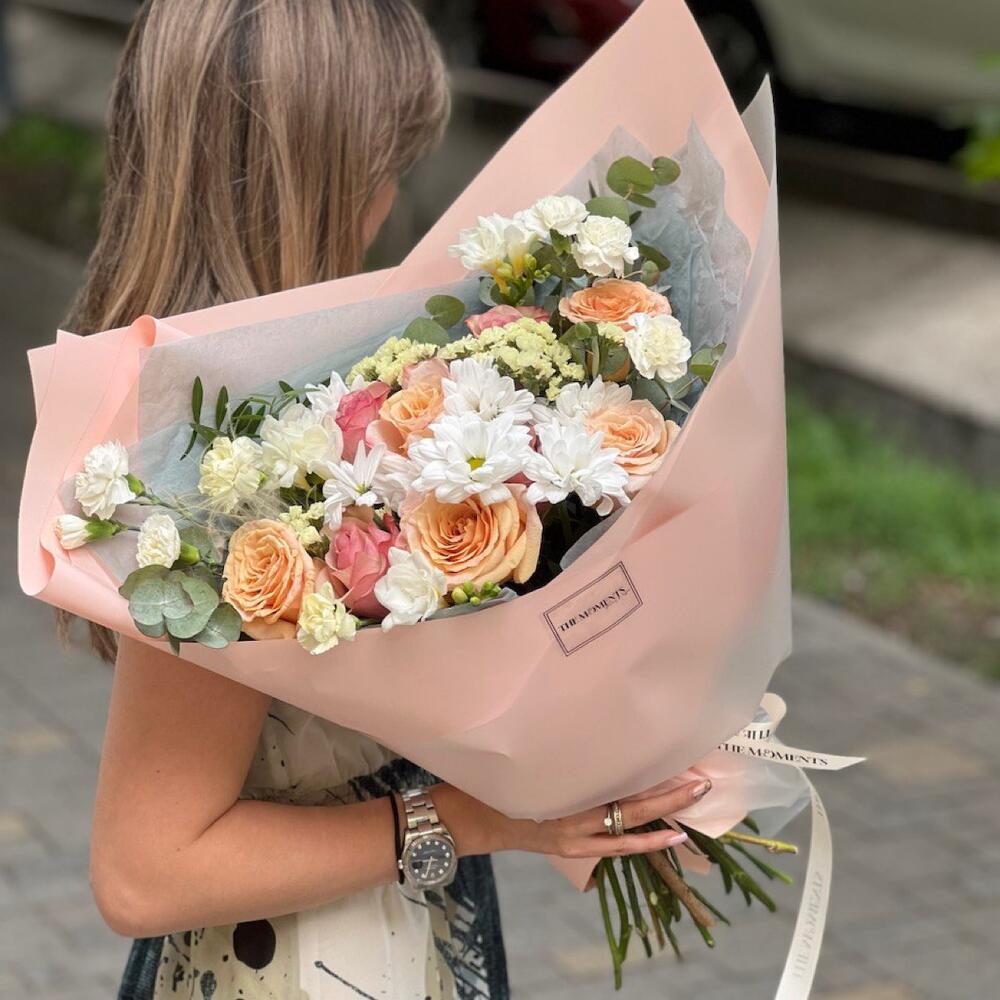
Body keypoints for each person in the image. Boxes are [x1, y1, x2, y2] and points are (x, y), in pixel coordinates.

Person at [67, 2, 707, 997]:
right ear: (326, 176)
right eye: (388, 164)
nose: (396, 200)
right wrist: (482, 819)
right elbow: (146, 869)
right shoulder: (212, 455)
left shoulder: (275, 399)